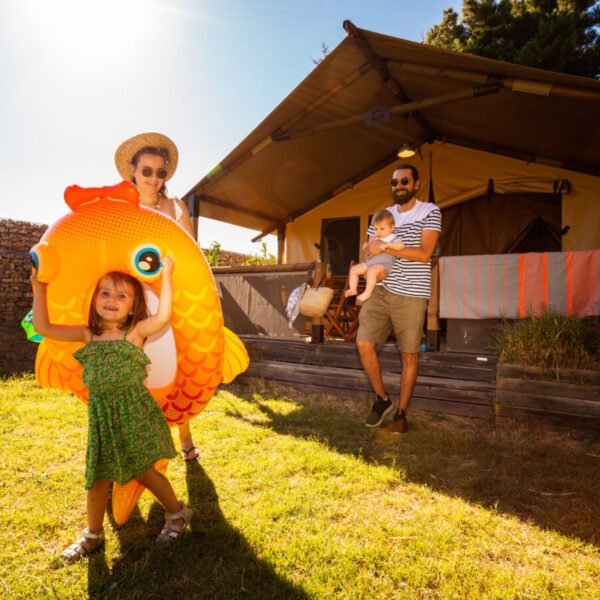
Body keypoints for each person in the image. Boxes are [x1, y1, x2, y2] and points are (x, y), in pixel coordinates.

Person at [31, 260, 193, 563]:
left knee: (145, 471)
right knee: (97, 477)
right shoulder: (88, 335)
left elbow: (164, 316)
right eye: (105, 294)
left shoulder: (135, 332)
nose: (111, 301)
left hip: (134, 415)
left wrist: (167, 274)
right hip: (102, 419)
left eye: (121, 297)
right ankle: (93, 535)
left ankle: (177, 514)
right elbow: (43, 327)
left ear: (133, 307)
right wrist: (39, 287)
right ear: (94, 299)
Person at [114, 132, 199, 462]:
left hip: (167, 296)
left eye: (160, 172)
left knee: (175, 367)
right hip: (132, 299)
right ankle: (135, 441)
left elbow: (191, 252)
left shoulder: (176, 207)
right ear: (133, 170)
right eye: (146, 170)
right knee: (133, 372)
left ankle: (185, 434)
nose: (153, 178)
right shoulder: (122, 207)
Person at [357, 165, 441, 433]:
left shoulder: (429, 211)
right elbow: (369, 251)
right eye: (394, 182)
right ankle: (382, 399)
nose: (399, 186)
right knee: (363, 344)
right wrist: (373, 259)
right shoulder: (382, 215)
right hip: (381, 290)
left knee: (409, 355)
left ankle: (401, 413)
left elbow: (424, 253)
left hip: (412, 293)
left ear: (417, 184)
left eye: (404, 181)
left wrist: (384, 247)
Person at [344, 209, 405, 303]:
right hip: (371, 262)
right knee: (354, 269)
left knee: (372, 271)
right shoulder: (376, 238)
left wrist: (389, 245)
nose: (378, 232)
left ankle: (368, 292)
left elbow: (401, 246)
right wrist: (366, 247)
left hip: (384, 264)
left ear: (392, 228)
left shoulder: (392, 237)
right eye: (376, 229)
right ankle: (353, 289)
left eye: (382, 229)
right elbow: (369, 251)